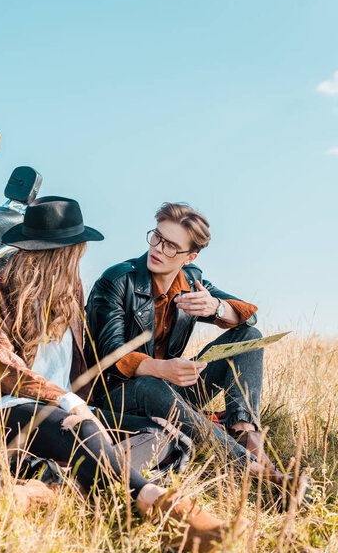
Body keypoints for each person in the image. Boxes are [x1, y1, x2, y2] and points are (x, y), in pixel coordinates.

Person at [0, 196, 245, 553]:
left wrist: (83, 403)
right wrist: (68, 400)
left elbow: (89, 362)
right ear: (56, 252)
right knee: (80, 427)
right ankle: (155, 502)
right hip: (5, 411)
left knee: (166, 434)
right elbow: (3, 369)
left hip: (73, 411)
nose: (80, 257)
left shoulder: (68, 292)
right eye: (76, 250)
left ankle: (52, 491)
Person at [85, 202, 288, 482]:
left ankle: (245, 432)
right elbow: (110, 354)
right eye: (156, 236)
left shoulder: (192, 281)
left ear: (189, 257)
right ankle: (249, 465)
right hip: (115, 394)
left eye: (171, 246)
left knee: (249, 338)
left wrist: (215, 307)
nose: (157, 248)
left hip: (170, 387)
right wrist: (160, 369)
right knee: (152, 385)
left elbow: (248, 316)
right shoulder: (118, 280)